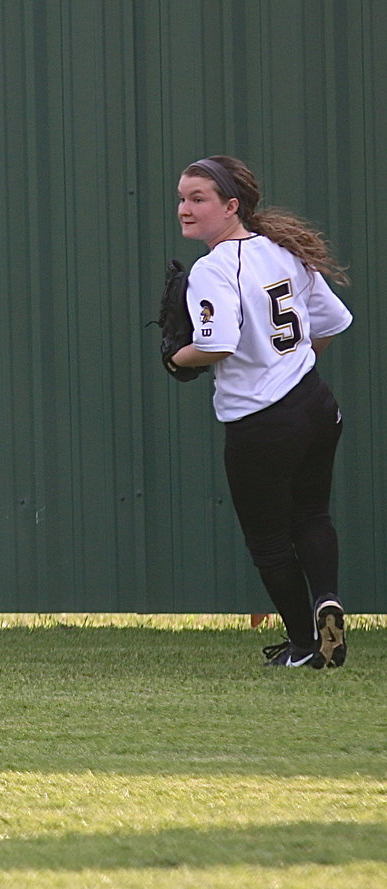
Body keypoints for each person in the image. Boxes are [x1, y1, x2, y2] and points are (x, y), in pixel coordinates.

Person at [168, 155, 352, 669]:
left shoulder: (214, 267)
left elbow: (218, 344)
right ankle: (327, 602)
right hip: (315, 403)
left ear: (232, 205)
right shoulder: (280, 251)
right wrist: (289, 359)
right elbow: (334, 322)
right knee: (312, 513)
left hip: (262, 419)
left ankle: (304, 646)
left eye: (198, 198)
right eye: (182, 198)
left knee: (268, 539)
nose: (185, 208)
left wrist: (174, 358)